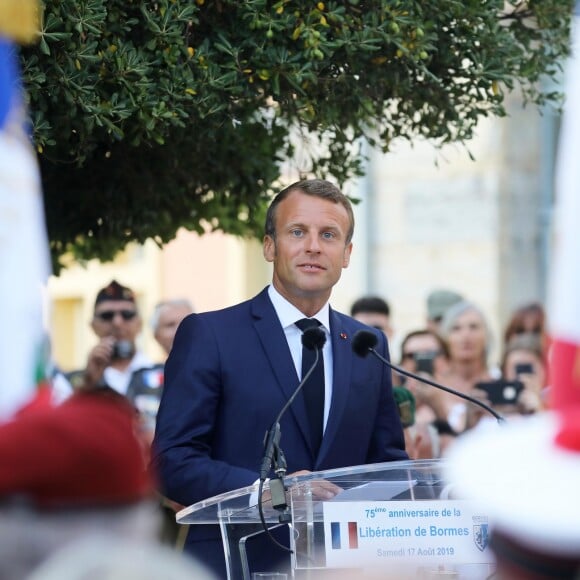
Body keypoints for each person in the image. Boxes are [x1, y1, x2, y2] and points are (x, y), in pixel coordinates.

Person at [152, 178, 408, 578]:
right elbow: (172, 461)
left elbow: (387, 465)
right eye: (297, 232)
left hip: (342, 567)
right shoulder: (211, 335)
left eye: (328, 235)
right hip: (236, 563)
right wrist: (275, 491)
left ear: (346, 254)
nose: (313, 246)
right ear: (270, 246)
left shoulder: (366, 343)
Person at [438, 300, 496, 432]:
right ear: (445, 338)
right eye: (456, 328)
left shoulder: (500, 381)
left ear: (487, 336)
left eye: (474, 327)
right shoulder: (433, 388)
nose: (466, 336)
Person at [397, 328, 452, 424]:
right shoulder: (394, 398)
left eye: (430, 354)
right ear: (402, 363)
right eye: (412, 355)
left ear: (446, 360)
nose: (421, 360)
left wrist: (438, 406)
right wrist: (406, 403)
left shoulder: (463, 398)